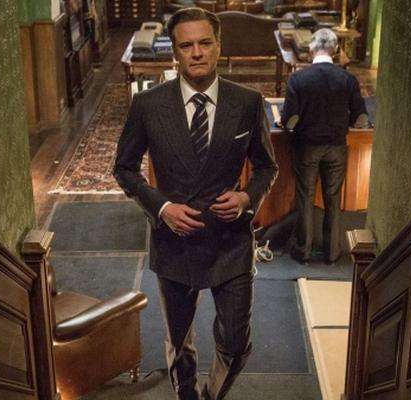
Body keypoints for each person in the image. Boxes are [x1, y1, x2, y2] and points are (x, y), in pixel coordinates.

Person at [113, 8, 278, 400]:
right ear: (175, 52)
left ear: (218, 45)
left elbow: (267, 167)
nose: (197, 52)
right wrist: (162, 208)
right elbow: (124, 169)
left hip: (231, 242)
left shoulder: (248, 102)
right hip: (174, 243)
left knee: (235, 343)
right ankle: (186, 394)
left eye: (205, 43)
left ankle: (211, 395)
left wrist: (246, 197)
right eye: (187, 45)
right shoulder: (148, 105)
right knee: (179, 341)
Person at [281, 28, 368, 265]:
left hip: (307, 147)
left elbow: (290, 120)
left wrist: (290, 124)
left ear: (311, 48)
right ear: (335, 49)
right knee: (333, 198)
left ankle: (303, 251)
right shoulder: (348, 79)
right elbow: (361, 119)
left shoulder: (298, 79)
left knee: (305, 197)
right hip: (337, 147)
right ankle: (332, 252)